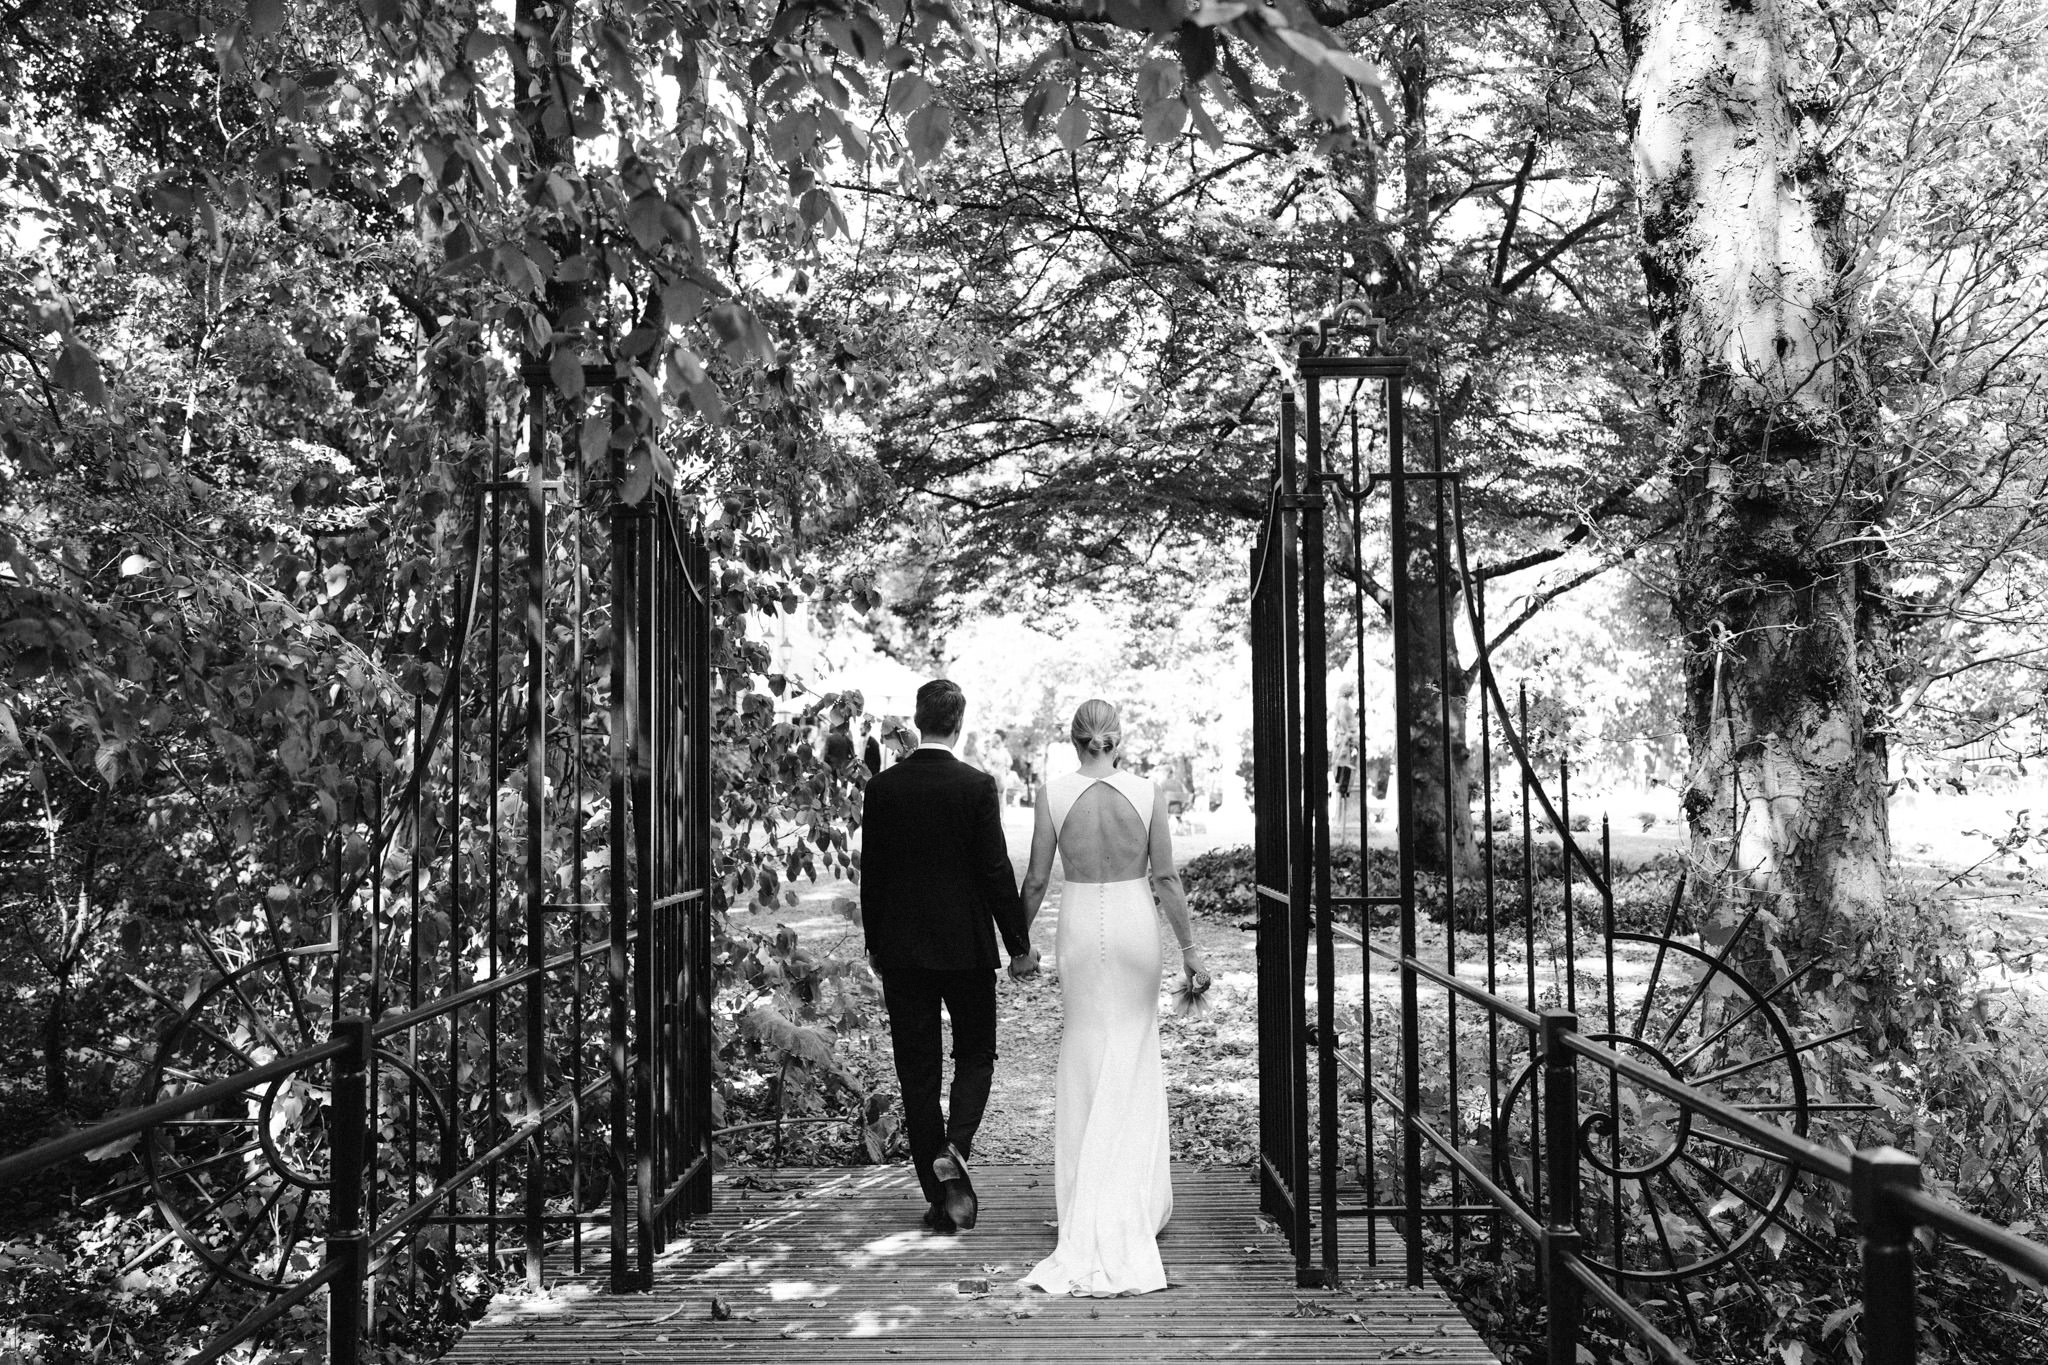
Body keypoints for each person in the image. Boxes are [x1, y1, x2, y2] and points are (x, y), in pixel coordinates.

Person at [1018, 699, 1209, 1297]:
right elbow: (1167, 879)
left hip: (1079, 924)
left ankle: (1085, 1199)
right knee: (1134, 1050)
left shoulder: (1052, 794)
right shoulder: (1146, 792)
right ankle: (1136, 1202)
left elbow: (1036, 880)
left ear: (1074, 740)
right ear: (1117, 740)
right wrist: (1191, 952)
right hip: (1133, 924)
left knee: (1082, 1052)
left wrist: (1020, 944)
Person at [860, 680, 1040, 1234]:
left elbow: (875, 874)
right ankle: (955, 1146)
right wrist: (1019, 946)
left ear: (917, 722)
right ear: (958, 724)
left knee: (917, 1075)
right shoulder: (976, 786)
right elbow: (993, 870)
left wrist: (875, 942)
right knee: (977, 1054)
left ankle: (941, 1197)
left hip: (904, 951)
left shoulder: (885, 788)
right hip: (966, 950)